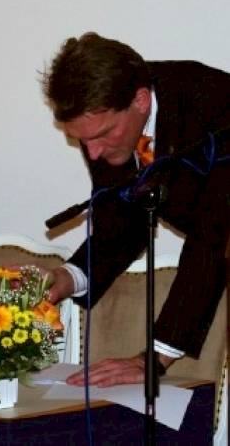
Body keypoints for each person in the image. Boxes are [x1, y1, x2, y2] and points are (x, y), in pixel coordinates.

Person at [42, 32, 229, 387]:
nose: (93, 153)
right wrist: (68, 277)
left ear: (141, 100)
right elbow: (122, 222)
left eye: (102, 135)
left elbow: (214, 236)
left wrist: (154, 359)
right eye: (81, 140)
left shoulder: (215, 106)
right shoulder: (102, 123)